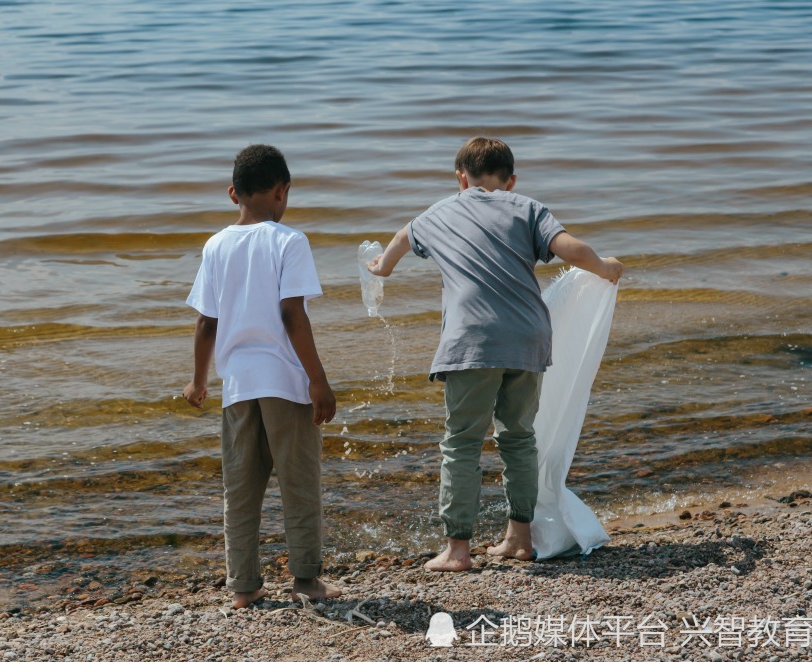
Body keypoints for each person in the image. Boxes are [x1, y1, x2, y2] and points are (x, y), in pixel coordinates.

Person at [368, 137, 623, 571]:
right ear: (511, 180)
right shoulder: (527, 208)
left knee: (462, 444)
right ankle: (519, 540)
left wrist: (381, 269)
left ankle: (458, 551)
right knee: (519, 438)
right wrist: (607, 268)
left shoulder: (440, 212)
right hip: (528, 339)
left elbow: (400, 238)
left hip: (471, 343)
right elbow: (570, 248)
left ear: (460, 178)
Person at [183, 144, 342, 607]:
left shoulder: (215, 245)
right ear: (282, 192)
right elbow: (293, 314)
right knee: (299, 483)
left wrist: (198, 380)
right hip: (285, 383)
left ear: (233, 193)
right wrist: (318, 380)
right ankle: (307, 580)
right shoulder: (289, 241)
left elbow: (206, 322)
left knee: (241, 487)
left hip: (237, 386)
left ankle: (244, 586)